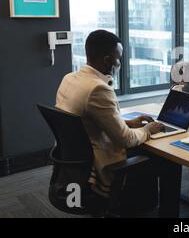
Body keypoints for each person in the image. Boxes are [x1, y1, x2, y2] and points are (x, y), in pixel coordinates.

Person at [56, 30, 181, 216]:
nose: (119, 63)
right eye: (118, 58)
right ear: (107, 60)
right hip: (100, 165)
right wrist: (147, 129)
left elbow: (90, 120)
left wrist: (128, 122)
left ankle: (145, 204)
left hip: (77, 162)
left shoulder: (70, 79)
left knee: (151, 150)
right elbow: (126, 140)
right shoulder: (98, 88)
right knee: (170, 161)